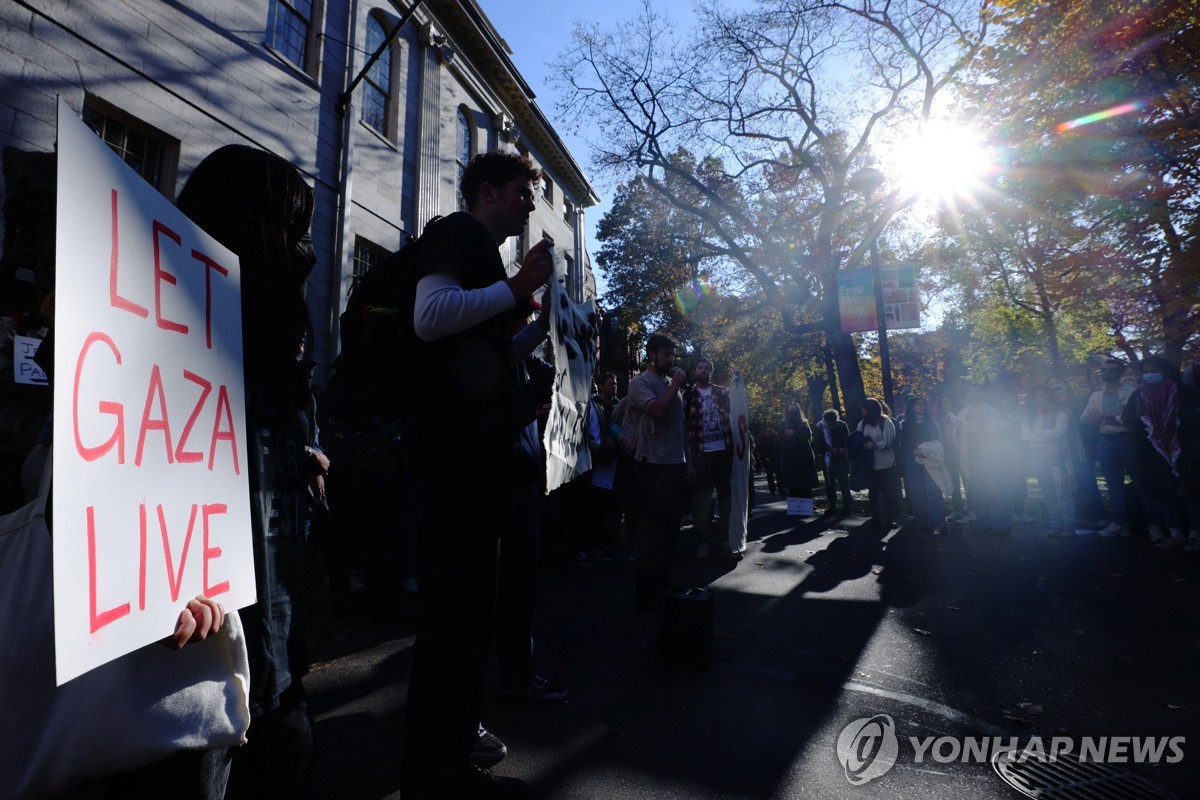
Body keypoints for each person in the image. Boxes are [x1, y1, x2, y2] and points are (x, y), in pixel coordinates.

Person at [401, 150, 554, 799]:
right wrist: (517, 290)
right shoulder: (457, 235)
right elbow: (429, 317)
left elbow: (482, 353)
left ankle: (453, 752)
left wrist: (538, 327)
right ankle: (433, 771)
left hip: (477, 472)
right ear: (487, 192)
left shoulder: (483, 258)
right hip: (455, 471)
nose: (528, 204)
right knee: (451, 626)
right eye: (522, 193)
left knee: (469, 625)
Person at [176, 145, 326, 799]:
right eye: (292, 227)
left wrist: (298, 452)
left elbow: (259, 418)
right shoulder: (179, 318)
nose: (304, 250)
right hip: (201, 616)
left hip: (270, 599)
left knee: (279, 737)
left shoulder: (268, 321)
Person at [625, 333, 690, 611]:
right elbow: (658, 411)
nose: (672, 360)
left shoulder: (669, 384)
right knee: (651, 533)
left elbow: (681, 427)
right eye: (666, 355)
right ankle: (645, 595)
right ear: (652, 355)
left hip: (676, 466)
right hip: (652, 467)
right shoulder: (640, 383)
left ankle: (664, 587)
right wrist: (675, 383)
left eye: (673, 355)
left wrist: (691, 464)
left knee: (671, 530)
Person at [1122, 356, 1185, 549]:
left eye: (1154, 370)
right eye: (1146, 371)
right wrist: (1137, 414)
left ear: (1164, 370)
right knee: (1155, 491)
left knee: (1178, 490)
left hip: (1177, 448)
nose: (1150, 374)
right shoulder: (1138, 395)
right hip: (1148, 450)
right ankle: (1164, 530)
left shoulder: (1178, 390)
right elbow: (1128, 420)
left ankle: (1185, 532)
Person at [1080, 358, 1139, 538]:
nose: (1106, 373)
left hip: (1128, 439)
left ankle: (1150, 524)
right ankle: (1119, 523)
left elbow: (1132, 417)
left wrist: (1103, 417)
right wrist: (1114, 416)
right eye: (1103, 370)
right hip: (1105, 440)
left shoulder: (1131, 392)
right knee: (1113, 484)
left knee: (1140, 482)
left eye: (1111, 370)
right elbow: (1085, 418)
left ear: (1120, 373)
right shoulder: (1096, 395)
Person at [683, 357, 734, 559]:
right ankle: (703, 541)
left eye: (707, 368)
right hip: (701, 453)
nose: (703, 369)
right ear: (694, 371)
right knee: (702, 499)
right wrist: (687, 459)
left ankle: (726, 540)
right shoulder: (687, 395)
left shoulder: (723, 392)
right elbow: (683, 427)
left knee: (726, 498)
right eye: (700, 366)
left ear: (711, 372)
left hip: (724, 451)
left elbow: (738, 418)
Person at [1020, 385, 1077, 537]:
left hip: (1057, 457)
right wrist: (1044, 436)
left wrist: (1036, 434)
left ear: (1049, 397)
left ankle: (1068, 526)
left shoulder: (1061, 413)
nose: (1039, 399)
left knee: (1061, 489)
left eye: (1042, 396)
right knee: (1047, 490)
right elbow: (1024, 436)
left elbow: (1058, 433)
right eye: (1037, 396)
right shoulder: (1029, 416)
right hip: (1036, 455)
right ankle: (1055, 524)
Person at [957, 384, 1011, 535]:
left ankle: (1001, 525)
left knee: (997, 490)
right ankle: (983, 523)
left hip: (991, 456)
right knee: (978, 491)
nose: (972, 394)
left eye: (976, 391)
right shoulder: (963, 413)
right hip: (972, 457)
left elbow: (1002, 429)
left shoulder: (992, 411)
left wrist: (979, 430)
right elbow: (958, 434)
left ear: (982, 394)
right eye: (970, 391)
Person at [898, 396, 947, 533]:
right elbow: (903, 442)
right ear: (911, 407)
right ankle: (922, 522)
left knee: (933, 490)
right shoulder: (904, 423)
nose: (922, 407)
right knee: (917, 491)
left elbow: (937, 439)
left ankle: (938, 522)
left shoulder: (931, 423)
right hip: (912, 458)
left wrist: (927, 450)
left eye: (923, 404)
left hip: (929, 457)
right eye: (918, 404)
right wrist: (914, 450)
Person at [857, 398, 901, 528]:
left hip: (886, 463)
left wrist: (875, 445)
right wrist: (865, 445)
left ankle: (889, 518)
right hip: (870, 464)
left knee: (888, 492)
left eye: (864, 408)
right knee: (873, 493)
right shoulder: (862, 423)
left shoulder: (885, 422)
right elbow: (858, 439)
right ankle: (875, 517)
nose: (862, 411)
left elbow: (888, 441)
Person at [814, 409, 853, 516]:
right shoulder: (819, 427)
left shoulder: (842, 425)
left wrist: (843, 448)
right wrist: (829, 449)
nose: (831, 425)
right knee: (830, 484)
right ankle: (832, 505)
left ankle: (847, 506)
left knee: (844, 483)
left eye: (833, 422)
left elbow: (848, 439)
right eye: (829, 422)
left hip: (841, 457)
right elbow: (817, 442)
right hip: (828, 459)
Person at [779, 402, 819, 505]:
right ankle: (794, 505)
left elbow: (807, 434)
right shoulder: (783, 423)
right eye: (790, 409)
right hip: (790, 455)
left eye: (794, 409)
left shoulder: (804, 422)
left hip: (804, 455)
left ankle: (808, 504)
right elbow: (781, 438)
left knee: (805, 481)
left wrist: (794, 434)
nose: (792, 411)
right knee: (793, 481)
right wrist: (787, 435)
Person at [757, 426, 782, 494]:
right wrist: (763, 457)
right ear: (764, 432)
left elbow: (780, 448)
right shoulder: (762, 440)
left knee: (779, 475)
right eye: (767, 431)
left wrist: (778, 456)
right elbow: (758, 449)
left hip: (775, 459)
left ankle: (781, 490)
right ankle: (772, 490)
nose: (769, 433)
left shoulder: (775, 439)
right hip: (767, 460)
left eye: (770, 431)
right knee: (770, 475)